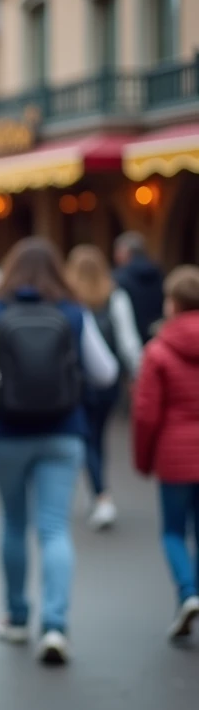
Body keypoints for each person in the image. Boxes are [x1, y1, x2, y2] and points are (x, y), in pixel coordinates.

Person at [0, 237, 118, 665]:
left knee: (14, 523)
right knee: (53, 529)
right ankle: (54, 625)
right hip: (63, 431)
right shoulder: (72, 312)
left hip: (5, 433)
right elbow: (106, 373)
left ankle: (15, 618)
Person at [133, 265, 199, 641]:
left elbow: (145, 413)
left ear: (173, 304)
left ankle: (187, 592)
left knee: (174, 531)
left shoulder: (158, 350)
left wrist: (144, 458)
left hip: (174, 455)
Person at [65, 244, 143, 530]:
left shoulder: (68, 300)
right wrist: (136, 374)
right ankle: (99, 491)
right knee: (97, 437)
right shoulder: (115, 296)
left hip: (77, 380)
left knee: (87, 439)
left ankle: (101, 495)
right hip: (108, 380)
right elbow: (128, 342)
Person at [113, 231, 165, 344]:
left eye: (118, 252)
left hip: (133, 341)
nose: (116, 256)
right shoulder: (159, 273)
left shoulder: (119, 279)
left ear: (126, 252)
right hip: (156, 337)